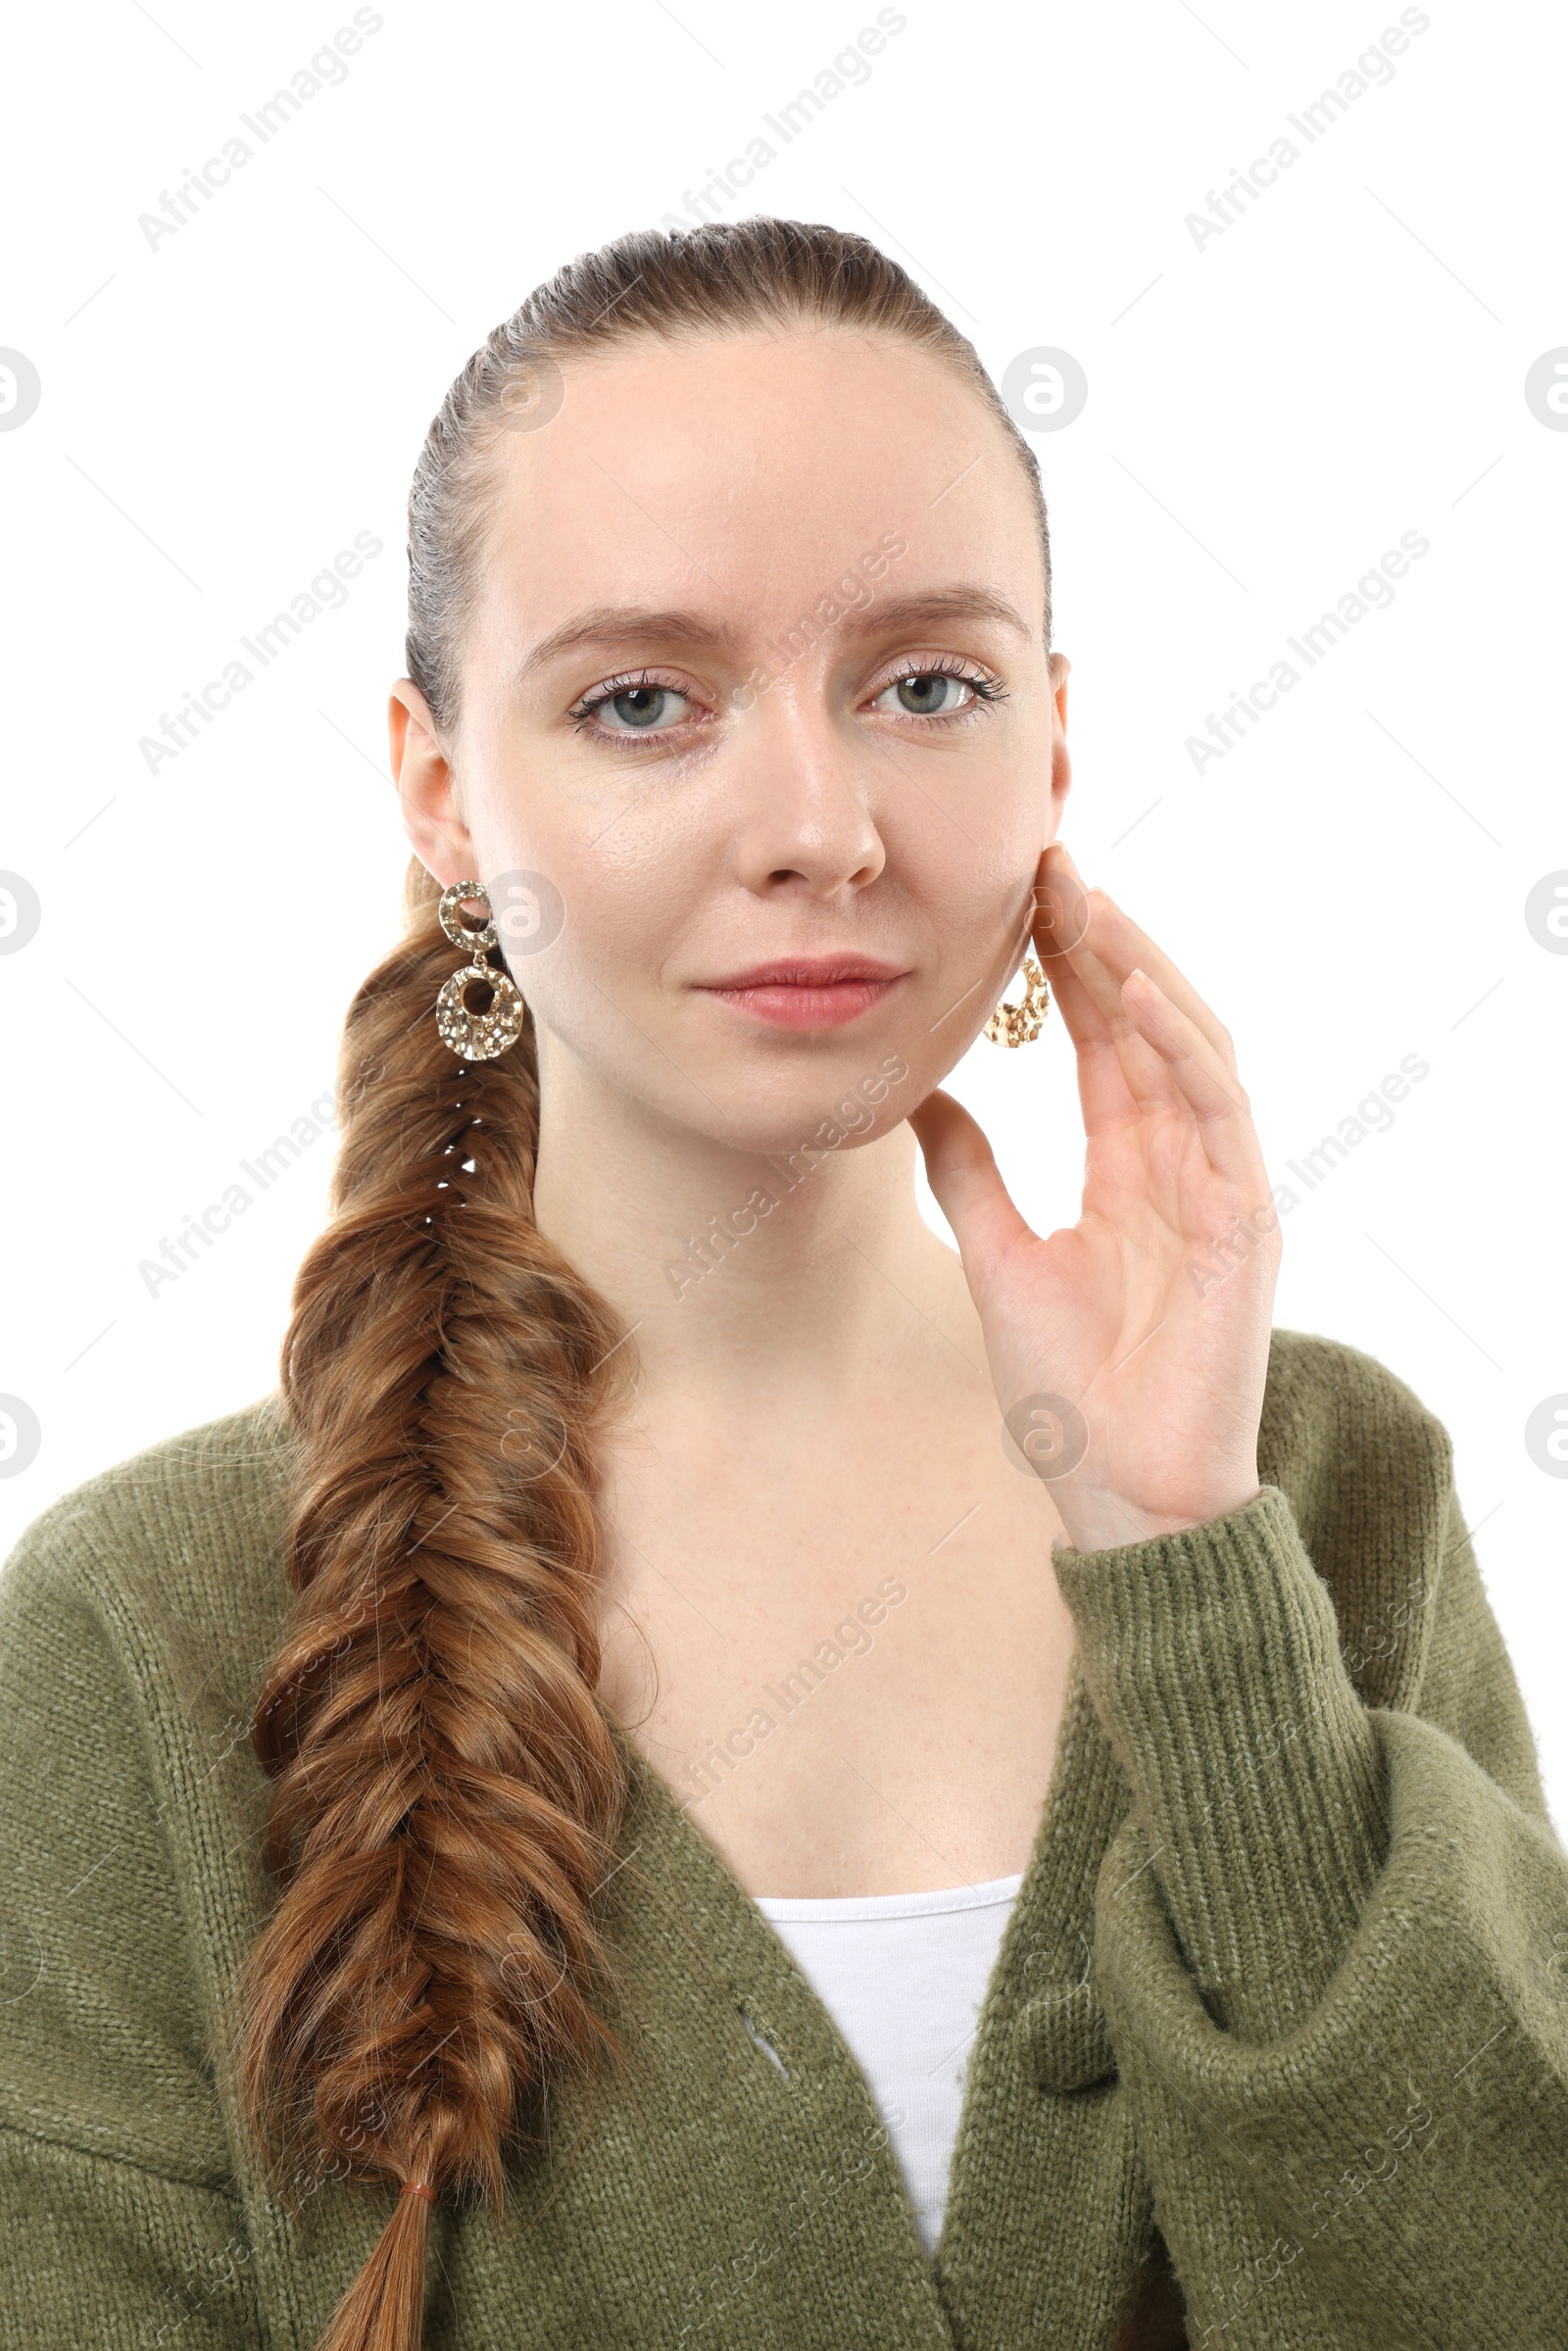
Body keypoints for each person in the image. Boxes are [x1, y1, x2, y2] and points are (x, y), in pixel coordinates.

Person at [2, 217, 1564, 2351]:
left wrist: (1181, 1565)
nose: (816, 822)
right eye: (643, 703)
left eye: (925, 685)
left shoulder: (1316, 1481)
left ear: (1052, 748)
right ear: (446, 796)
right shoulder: (136, 1635)